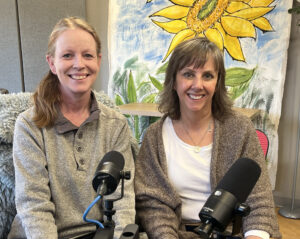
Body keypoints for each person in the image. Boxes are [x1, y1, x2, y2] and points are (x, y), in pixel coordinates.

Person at [135, 37, 281, 239]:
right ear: (174, 81)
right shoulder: (154, 137)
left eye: (207, 76)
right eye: (188, 74)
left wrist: (255, 235)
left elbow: (259, 198)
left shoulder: (240, 128)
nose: (198, 85)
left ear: (217, 82)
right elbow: (151, 204)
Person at [8, 17, 135, 239]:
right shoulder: (29, 126)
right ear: (51, 63)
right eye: (67, 55)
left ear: (98, 60)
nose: (79, 64)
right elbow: (34, 205)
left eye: (87, 55)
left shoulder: (116, 124)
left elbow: (123, 201)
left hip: (97, 233)